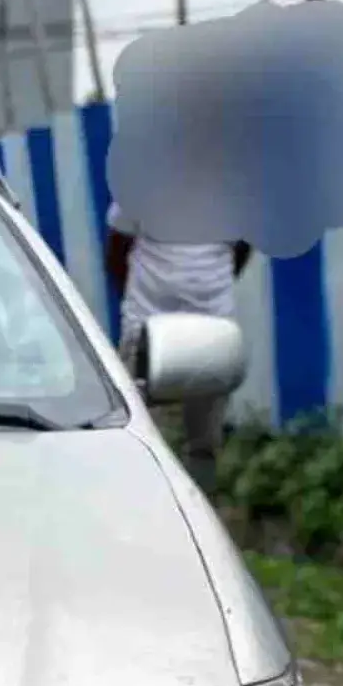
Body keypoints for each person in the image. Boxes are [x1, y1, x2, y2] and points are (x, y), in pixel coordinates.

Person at [104, 204, 253, 494]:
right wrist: (142, 307)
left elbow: (243, 248)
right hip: (147, 331)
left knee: (204, 444)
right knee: (138, 435)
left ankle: (202, 517)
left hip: (212, 332)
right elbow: (116, 254)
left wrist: (205, 296)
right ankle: (145, 513)